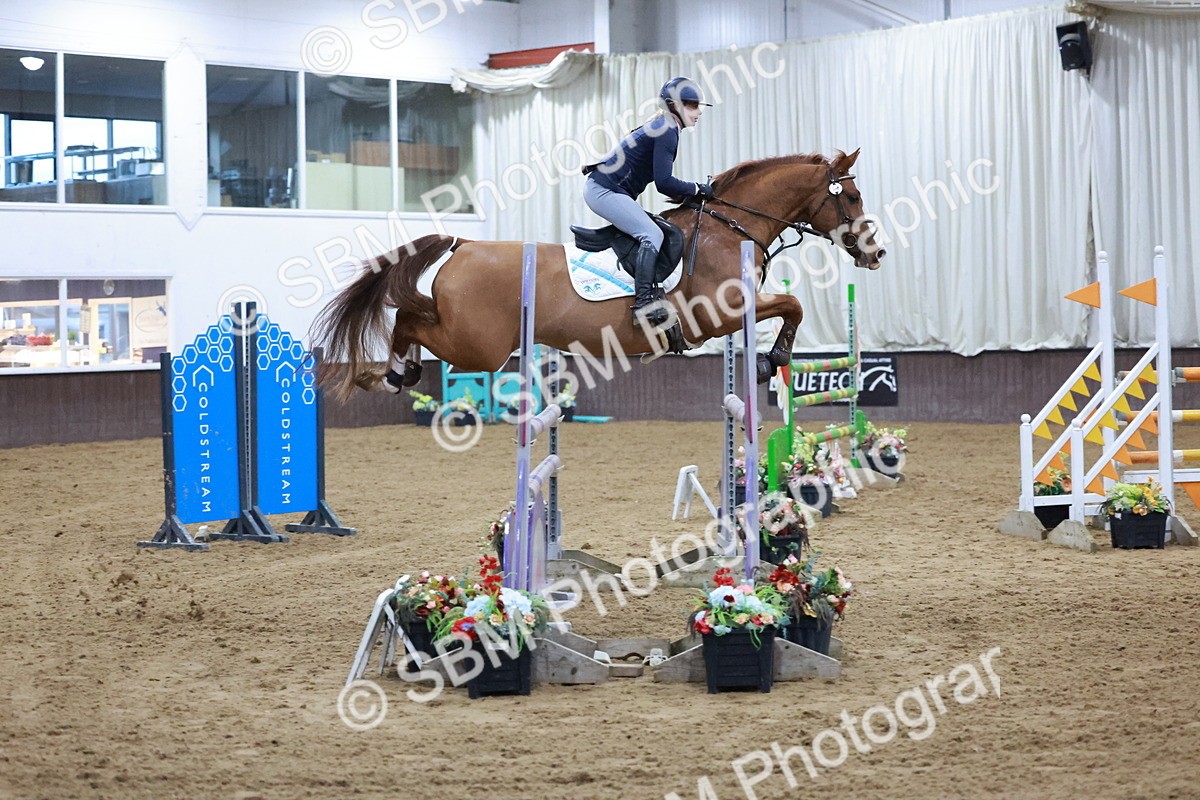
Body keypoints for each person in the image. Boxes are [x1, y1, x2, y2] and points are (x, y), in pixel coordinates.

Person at [583, 76, 713, 325]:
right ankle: (643, 303)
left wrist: (694, 191)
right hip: (604, 190)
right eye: (692, 106)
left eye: (699, 106)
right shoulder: (667, 130)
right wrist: (697, 188)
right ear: (674, 105)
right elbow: (664, 183)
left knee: (653, 230)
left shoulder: (665, 126)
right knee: (652, 235)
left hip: (608, 189)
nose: (698, 112)